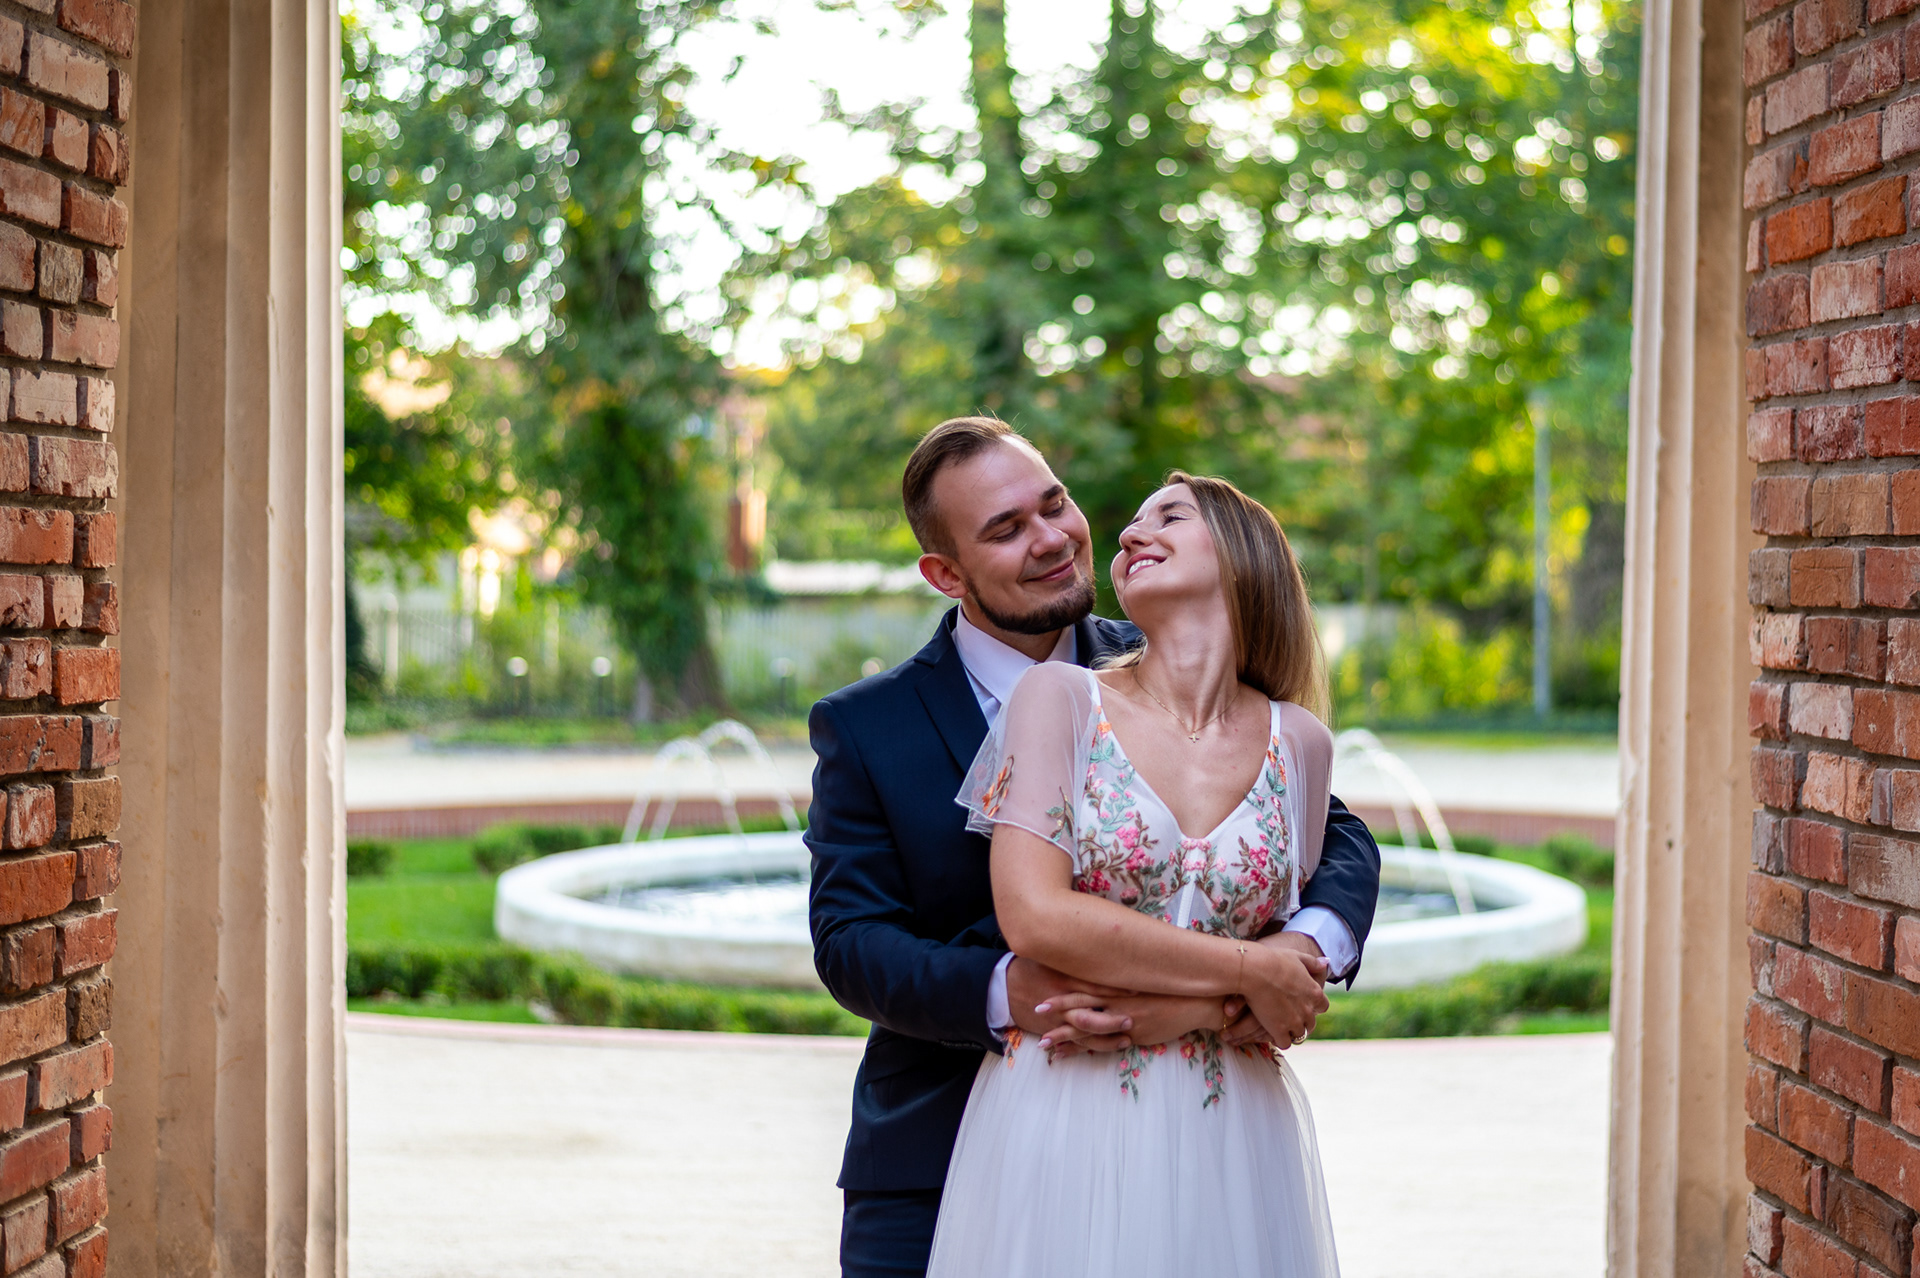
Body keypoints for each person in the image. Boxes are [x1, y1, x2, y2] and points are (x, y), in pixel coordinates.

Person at [806, 417, 1378, 1278]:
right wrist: (1008, 990)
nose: (1051, 539)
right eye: (1006, 529)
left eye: (1054, 504)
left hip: (1194, 1140)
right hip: (934, 1145)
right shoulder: (866, 726)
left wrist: (1300, 951)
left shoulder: (1167, 654)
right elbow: (851, 941)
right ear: (946, 574)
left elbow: (1335, 835)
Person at [927, 469, 1341, 1275]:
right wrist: (1248, 972)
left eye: (1171, 516)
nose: (1128, 533)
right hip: (1067, 1109)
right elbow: (1036, 917)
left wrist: (1185, 1010)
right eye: (1133, 523)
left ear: (1243, 553)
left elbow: (1292, 990)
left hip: (1238, 1135)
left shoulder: (1302, 744)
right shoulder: (1059, 699)